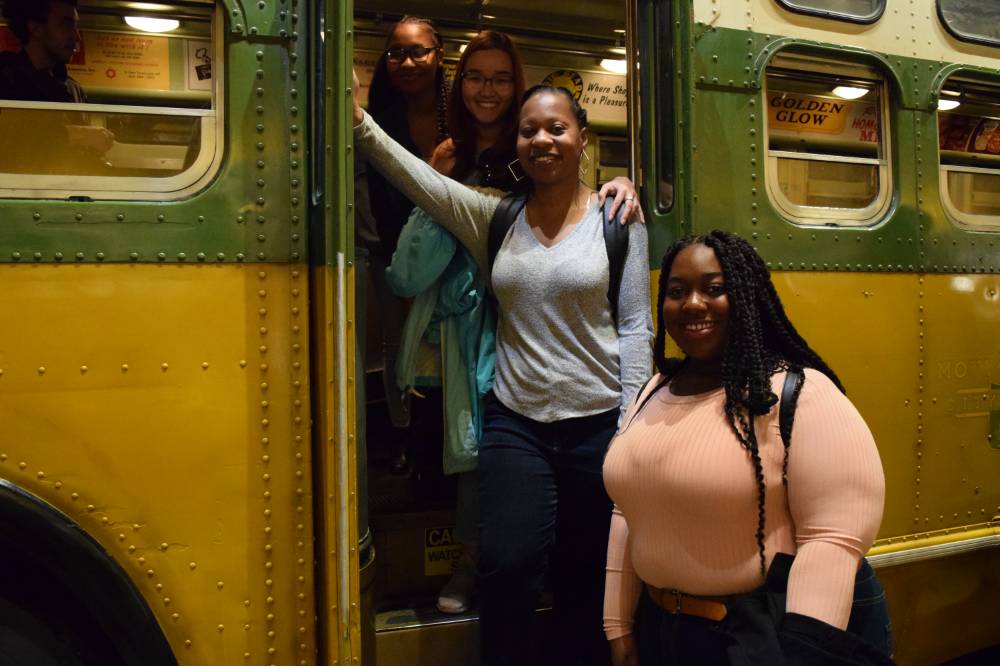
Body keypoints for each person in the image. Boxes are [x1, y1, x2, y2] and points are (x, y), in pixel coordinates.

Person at [354, 75, 653, 664]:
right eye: (529, 130)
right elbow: (422, 183)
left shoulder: (619, 218)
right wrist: (360, 124)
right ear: (516, 143)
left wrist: (630, 428)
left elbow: (636, 326)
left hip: (598, 426)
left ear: (582, 138)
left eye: (556, 128)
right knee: (509, 566)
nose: (542, 139)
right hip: (517, 423)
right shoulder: (493, 217)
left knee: (584, 575)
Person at [603, 231, 890, 665]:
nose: (693, 304)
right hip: (663, 630)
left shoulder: (799, 394)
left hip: (758, 637)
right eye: (677, 291)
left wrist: (804, 656)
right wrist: (618, 626)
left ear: (747, 296)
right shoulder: (654, 390)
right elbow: (629, 509)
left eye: (714, 289)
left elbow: (831, 539)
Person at [361, 15, 451, 470]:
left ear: (438, 55)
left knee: (450, 342)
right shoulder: (377, 115)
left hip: (455, 251)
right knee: (399, 344)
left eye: (419, 51)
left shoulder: (458, 112)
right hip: (392, 249)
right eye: (396, 52)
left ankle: (445, 437)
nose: (408, 62)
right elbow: (375, 195)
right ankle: (404, 438)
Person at [0, 0, 113, 170]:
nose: (76, 36)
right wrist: (73, 134)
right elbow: (8, 142)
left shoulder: (73, 89)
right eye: (66, 25)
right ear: (36, 29)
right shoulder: (6, 78)